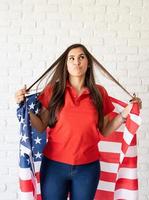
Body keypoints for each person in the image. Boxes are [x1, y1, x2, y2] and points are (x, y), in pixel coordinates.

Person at [15, 43, 142, 200]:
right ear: (66, 64)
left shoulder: (99, 92)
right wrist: (24, 108)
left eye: (81, 57)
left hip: (87, 169)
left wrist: (125, 113)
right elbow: (41, 125)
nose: (77, 62)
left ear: (88, 63)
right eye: (72, 58)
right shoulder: (53, 91)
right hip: (54, 167)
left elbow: (105, 130)